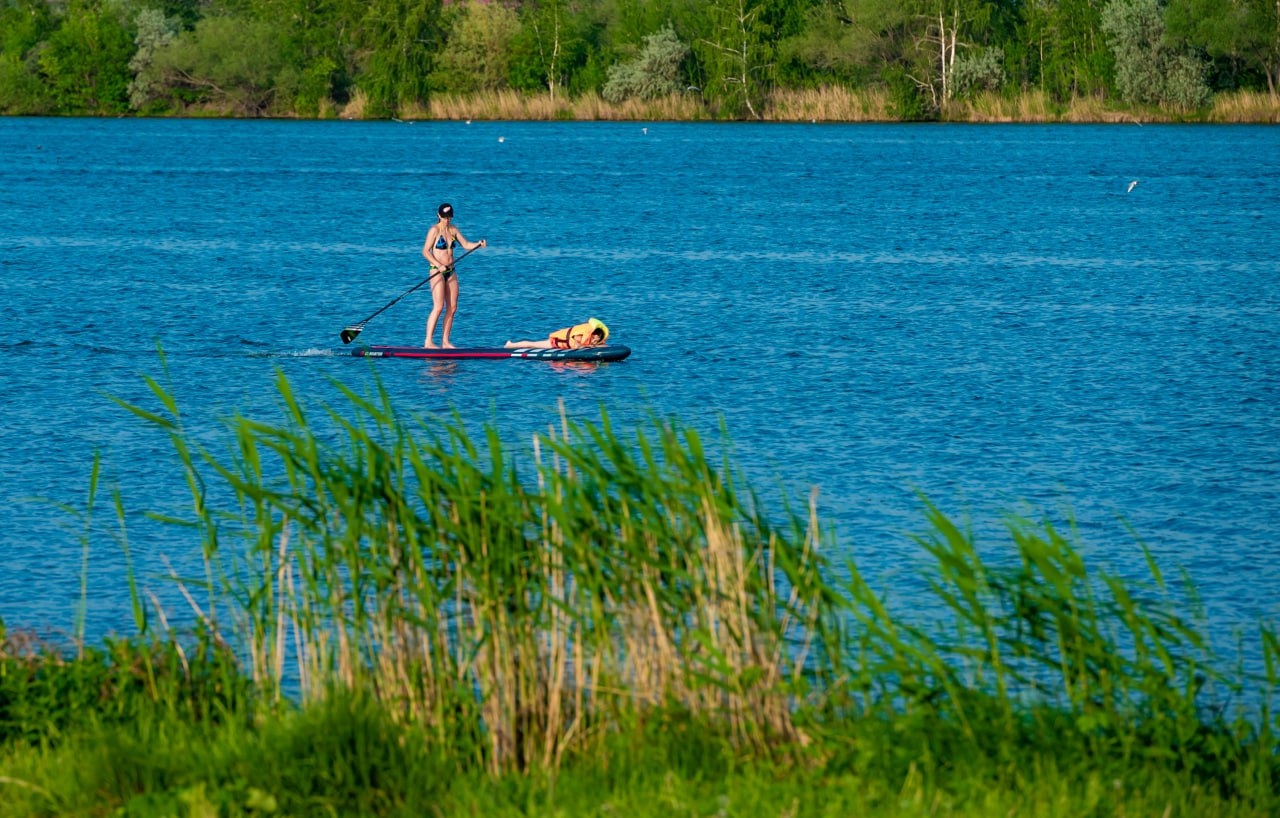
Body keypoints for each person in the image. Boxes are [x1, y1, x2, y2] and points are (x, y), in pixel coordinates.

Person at [422, 202, 486, 348]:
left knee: (453, 307)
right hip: (436, 271)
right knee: (438, 306)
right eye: (444, 217)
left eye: (449, 217)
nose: (446, 219)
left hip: (451, 271)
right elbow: (425, 251)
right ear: (438, 215)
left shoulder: (453, 229)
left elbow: (466, 244)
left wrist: (478, 244)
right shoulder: (434, 230)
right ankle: (428, 341)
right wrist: (438, 265)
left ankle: (445, 341)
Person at [505, 318, 609, 349]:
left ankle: (511, 344)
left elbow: (603, 345)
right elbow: (576, 344)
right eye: (596, 337)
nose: (596, 340)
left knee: (533, 344)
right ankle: (510, 345)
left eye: (598, 339)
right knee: (533, 344)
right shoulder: (583, 334)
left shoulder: (594, 340)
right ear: (592, 334)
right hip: (556, 342)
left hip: (563, 345)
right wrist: (588, 346)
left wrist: (595, 345)